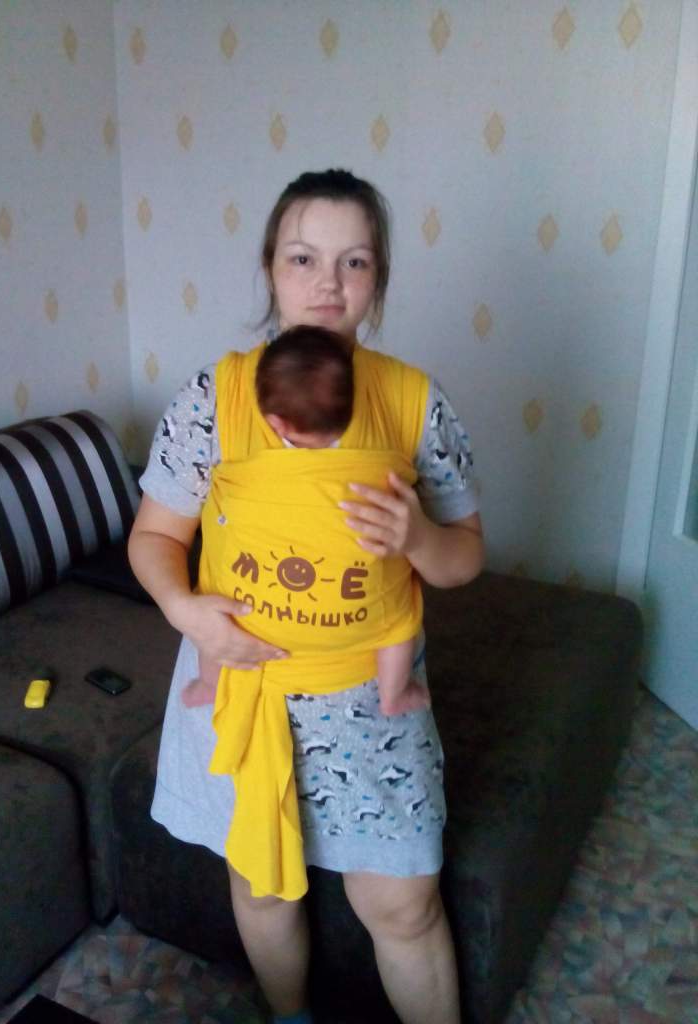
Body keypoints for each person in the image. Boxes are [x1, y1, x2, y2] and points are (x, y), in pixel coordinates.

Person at [129, 168, 484, 1024]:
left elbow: (464, 557)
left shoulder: (414, 402)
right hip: (244, 693)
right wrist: (184, 609)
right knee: (262, 883)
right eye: (303, 257)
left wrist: (417, 538)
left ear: (378, 279)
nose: (328, 282)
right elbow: (154, 540)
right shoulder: (214, 399)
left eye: (354, 261)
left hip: (368, 700)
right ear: (270, 269)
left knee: (404, 904)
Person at [181, 323, 431, 718]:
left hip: (243, 619)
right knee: (399, 623)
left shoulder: (240, 440)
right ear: (350, 412)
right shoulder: (379, 461)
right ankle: (394, 693)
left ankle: (210, 683)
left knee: (212, 605)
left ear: (275, 423)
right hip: (364, 616)